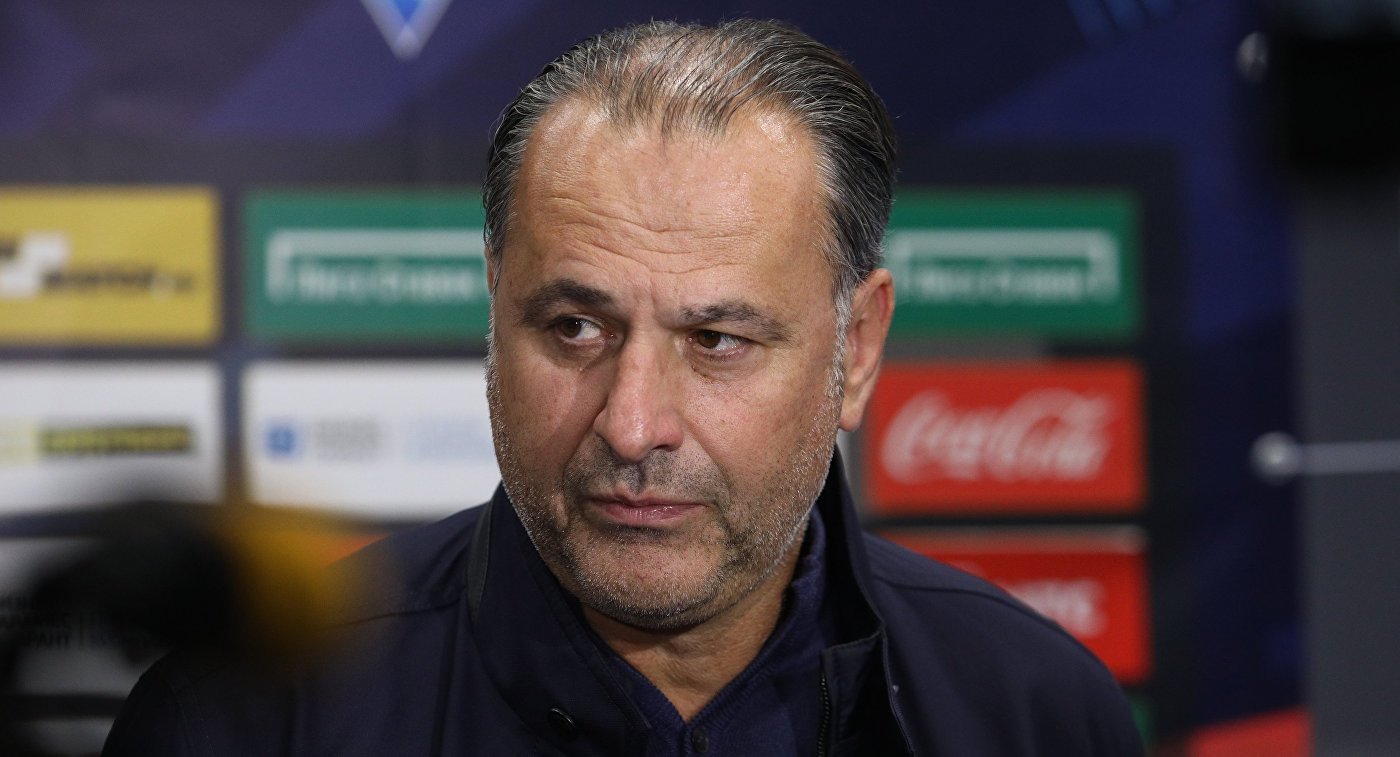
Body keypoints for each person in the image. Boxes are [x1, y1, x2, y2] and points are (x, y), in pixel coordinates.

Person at [105, 19, 1143, 756]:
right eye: (574, 328)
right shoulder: (245, 718)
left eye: (717, 339)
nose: (633, 422)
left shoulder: (1032, 712)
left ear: (856, 349)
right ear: (494, 310)